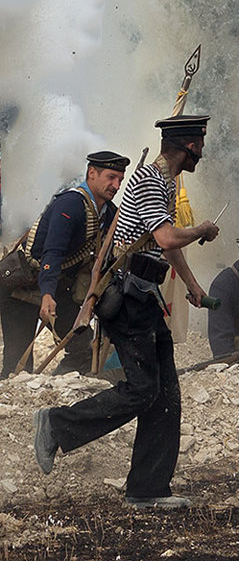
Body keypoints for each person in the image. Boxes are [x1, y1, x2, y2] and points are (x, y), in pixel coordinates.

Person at [34, 115, 220, 509]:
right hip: (128, 299)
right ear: (187, 147)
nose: (201, 154)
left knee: (165, 394)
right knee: (142, 389)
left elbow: (166, 246)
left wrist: (191, 285)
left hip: (145, 295)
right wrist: (201, 229)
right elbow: (169, 236)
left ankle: (148, 489)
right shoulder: (152, 181)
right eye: (198, 147)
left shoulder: (166, 183)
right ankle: (56, 425)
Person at [2, 151, 127, 376]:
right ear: (92, 173)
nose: (116, 185)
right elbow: (53, 252)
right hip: (21, 287)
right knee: (19, 364)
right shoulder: (71, 204)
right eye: (111, 177)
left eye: (120, 179)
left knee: (83, 347)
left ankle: (61, 383)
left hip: (56, 287)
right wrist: (47, 295)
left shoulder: (107, 212)